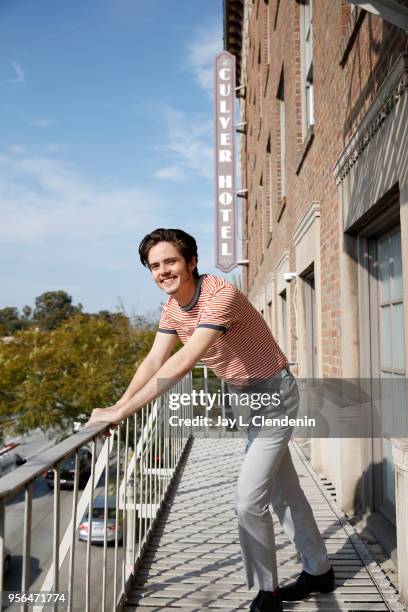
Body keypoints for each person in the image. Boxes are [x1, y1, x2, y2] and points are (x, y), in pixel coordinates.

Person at [86, 228, 335, 612]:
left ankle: (266, 592)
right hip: (242, 397)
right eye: (155, 266)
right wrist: (116, 405)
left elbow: (183, 361)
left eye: (170, 261)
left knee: (248, 500)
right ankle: (319, 571)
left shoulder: (221, 296)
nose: (163, 271)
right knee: (286, 491)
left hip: (273, 394)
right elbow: (154, 360)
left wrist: (123, 413)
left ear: (191, 262)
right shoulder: (172, 307)